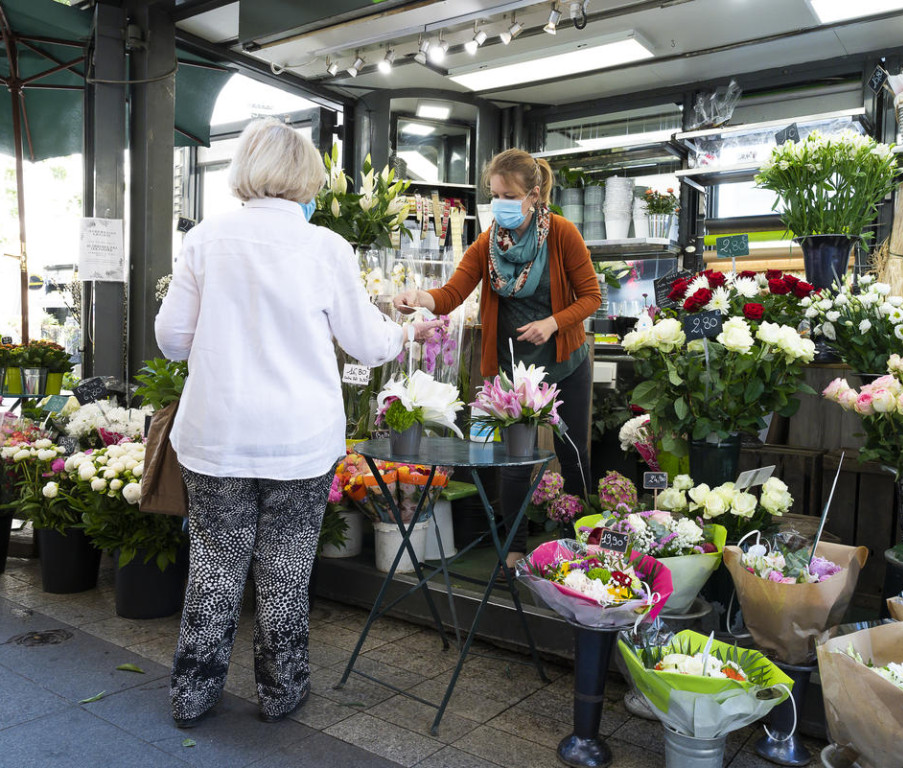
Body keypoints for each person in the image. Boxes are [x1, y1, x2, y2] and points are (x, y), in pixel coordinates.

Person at [155, 117, 429, 728]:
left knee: (214, 566)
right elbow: (368, 342)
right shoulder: (326, 247)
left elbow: (171, 340)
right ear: (306, 177)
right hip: (301, 440)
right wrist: (409, 330)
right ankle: (281, 691)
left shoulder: (204, 239)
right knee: (286, 569)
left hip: (218, 435)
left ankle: (192, 694)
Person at [394, 148, 601, 569]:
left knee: (572, 451)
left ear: (534, 195)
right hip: (514, 371)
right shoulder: (488, 243)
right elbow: (452, 293)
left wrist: (553, 323)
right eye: (494, 195)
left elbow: (591, 296)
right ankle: (516, 549)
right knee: (512, 463)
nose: (498, 205)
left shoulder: (562, 235)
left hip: (564, 359)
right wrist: (419, 297)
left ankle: (581, 542)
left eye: (507, 195)